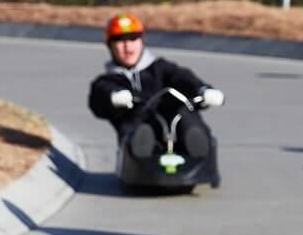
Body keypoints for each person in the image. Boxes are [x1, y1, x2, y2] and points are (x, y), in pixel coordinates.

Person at [88, 11, 224, 161]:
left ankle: (197, 145)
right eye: (120, 41)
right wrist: (114, 97)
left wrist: (203, 91)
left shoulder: (160, 68)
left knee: (185, 117)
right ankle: (142, 152)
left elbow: (183, 79)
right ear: (110, 45)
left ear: (141, 41)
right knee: (137, 127)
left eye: (133, 39)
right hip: (139, 126)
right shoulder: (109, 80)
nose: (128, 47)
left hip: (174, 123)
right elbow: (100, 95)